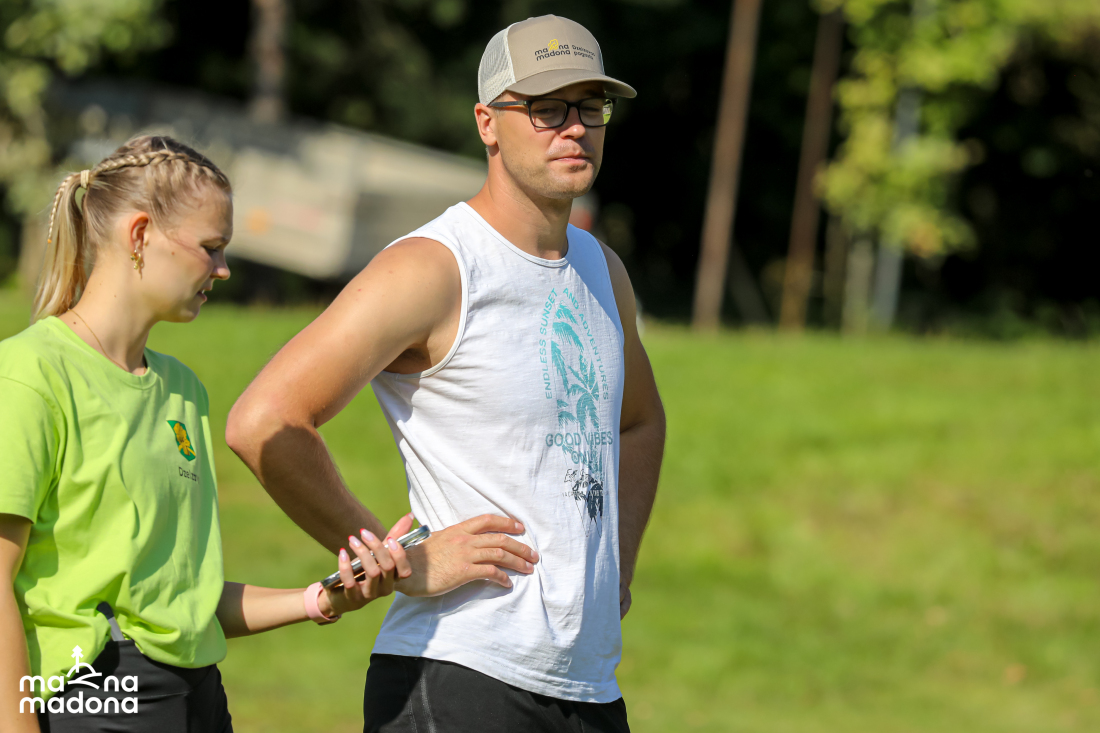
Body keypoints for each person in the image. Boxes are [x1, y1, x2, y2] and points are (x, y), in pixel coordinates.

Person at [226, 14, 665, 733]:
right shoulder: (434, 267)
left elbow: (640, 421)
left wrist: (618, 561)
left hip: (589, 687)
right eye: (547, 108)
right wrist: (401, 560)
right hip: (459, 674)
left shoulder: (601, 269)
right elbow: (264, 420)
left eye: (591, 106)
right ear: (488, 123)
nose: (575, 128)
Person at [0, 136, 417, 733]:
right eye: (211, 248)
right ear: (140, 235)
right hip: (97, 699)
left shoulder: (182, 390)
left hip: (199, 700)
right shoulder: (29, 375)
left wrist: (320, 599)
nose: (222, 269)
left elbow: (187, 599)